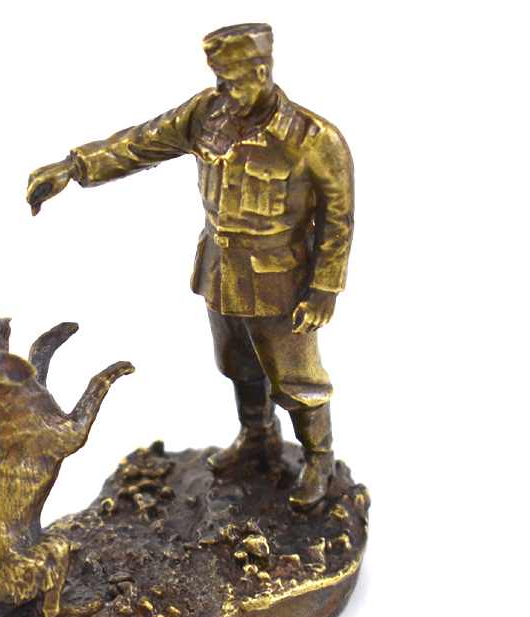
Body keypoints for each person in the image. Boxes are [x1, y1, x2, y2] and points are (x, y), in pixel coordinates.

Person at [26, 23, 354, 509]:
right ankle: (258, 436)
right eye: (218, 80)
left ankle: (319, 460)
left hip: (281, 279)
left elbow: (338, 219)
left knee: (297, 380)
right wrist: (73, 167)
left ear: (261, 72)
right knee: (237, 363)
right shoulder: (207, 113)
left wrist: (324, 289)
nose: (223, 91)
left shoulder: (313, 138)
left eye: (232, 82)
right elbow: (142, 142)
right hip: (221, 270)